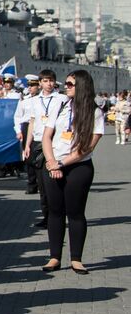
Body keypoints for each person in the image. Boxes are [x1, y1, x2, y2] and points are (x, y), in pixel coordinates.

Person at [41, 70, 104, 274]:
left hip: (78, 167)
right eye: (66, 83)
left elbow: (87, 147)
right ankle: (54, 257)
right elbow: (46, 136)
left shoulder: (95, 112)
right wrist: (51, 161)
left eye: (70, 84)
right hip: (52, 164)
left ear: (82, 87)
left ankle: (76, 258)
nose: (65, 86)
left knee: (75, 213)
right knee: (55, 212)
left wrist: (62, 163)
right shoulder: (59, 105)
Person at [23, 70, 67, 229]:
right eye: (45, 81)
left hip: (54, 142)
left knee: (54, 180)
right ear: (40, 83)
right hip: (37, 143)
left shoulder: (62, 98)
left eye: (51, 81)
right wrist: (27, 145)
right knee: (42, 183)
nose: (49, 84)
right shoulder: (34, 101)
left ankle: (58, 215)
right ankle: (46, 216)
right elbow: (32, 123)